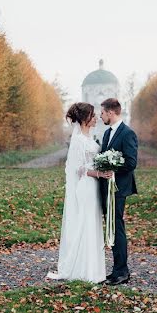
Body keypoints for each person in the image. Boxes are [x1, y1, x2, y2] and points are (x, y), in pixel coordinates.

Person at [46, 102, 106, 283]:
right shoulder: (79, 140)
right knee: (85, 222)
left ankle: (93, 269)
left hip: (93, 185)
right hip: (86, 185)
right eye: (93, 115)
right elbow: (78, 169)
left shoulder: (90, 138)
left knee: (92, 222)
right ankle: (83, 269)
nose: (96, 118)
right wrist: (99, 173)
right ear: (85, 118)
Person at [97, 98, 138, 285]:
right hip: (106, 188)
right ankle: (115, 270)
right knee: (111, 229)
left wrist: (112, 168)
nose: (101, 116)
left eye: (103, 113)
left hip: (118, 189)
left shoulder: (128, 133)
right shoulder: (107, 134)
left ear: (111, 113)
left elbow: (131, 163)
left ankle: (122, 271)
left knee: (117, 228)